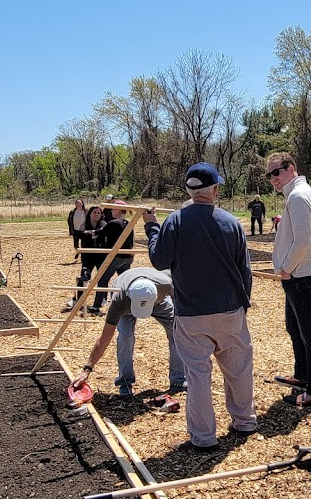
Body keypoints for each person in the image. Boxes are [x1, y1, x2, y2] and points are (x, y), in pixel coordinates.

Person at [143, 162, 258, 451]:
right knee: (239, 368)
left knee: (197, 375)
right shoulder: (231, 222)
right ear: (216, 190)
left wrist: (151, 227)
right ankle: (244, 421)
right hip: (230, 309)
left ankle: (204, 438)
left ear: (188, 189)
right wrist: (243, 304)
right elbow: (245, 270)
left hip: (191, 313)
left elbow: (159, 260)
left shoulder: (175, 221)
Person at [69, 267, 187, 404]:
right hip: (127, 301)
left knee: (178, 331)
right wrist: (87, 369)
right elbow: (104, 338)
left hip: (158, 301)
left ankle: (178, 379)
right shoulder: (119, 300)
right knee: (125, 337)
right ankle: (125, 383)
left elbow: (180, 307)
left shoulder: (167, 284)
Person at [266, 152, 311, 408]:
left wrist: (287, 268)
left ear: (291, 168)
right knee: (296, 329)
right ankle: (302, 376)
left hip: (301, 275)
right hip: (301, 273)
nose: (273, 179)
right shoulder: (302, 194)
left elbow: (303, 240)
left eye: (276, 173)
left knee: (310, 335)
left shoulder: (299, 196)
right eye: (269, 175)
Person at [93, 200, 135, 310]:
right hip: (127, 257)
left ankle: (96, 306)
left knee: (103, 279)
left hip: (116, 257)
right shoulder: (129, 223)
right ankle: (126, 305)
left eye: (113, 208)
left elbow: (100, 235)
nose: (111, 210)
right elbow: (131, 241)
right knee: (124, 282)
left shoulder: (114, 223)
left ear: (118, 210)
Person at [66, 205, 106, 312]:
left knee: (102, 278)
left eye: (98, 213)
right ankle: (78, 300)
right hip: (87, 256)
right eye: (94, 212)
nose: (96, 214)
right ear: (90, 214)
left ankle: (101, 299)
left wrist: (91, 233)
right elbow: (81, 233)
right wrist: (94, 234)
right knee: (84, 277)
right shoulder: (85, 224)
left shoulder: (103, 223)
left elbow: (103, 232)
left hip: (100, 255)